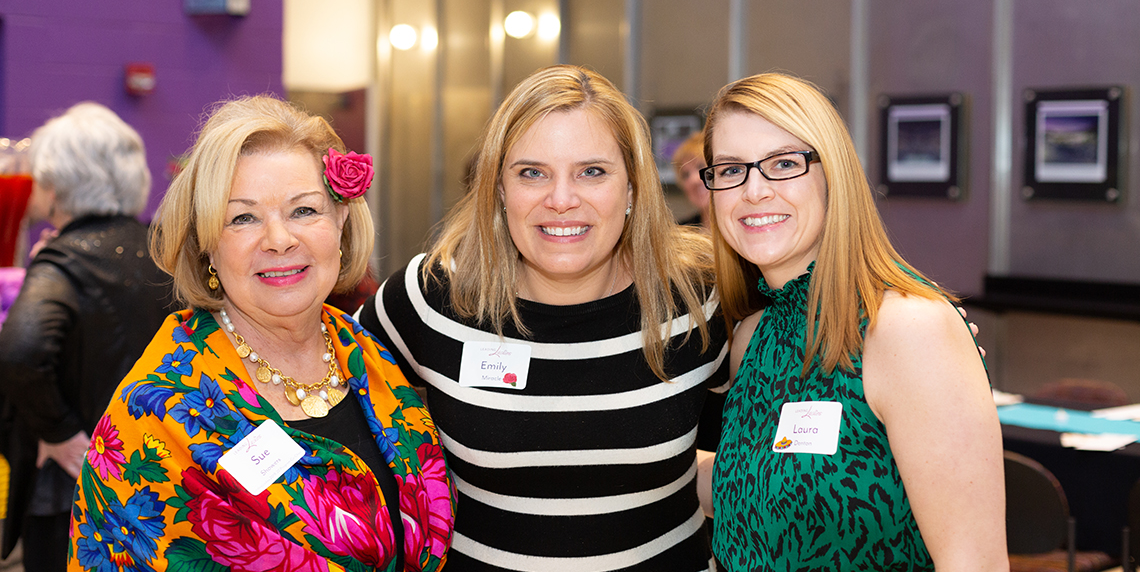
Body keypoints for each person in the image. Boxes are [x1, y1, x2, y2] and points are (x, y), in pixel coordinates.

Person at [355, 65, 730, 571]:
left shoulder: (699, 298)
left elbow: (752, 457)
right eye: (532, 173)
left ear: (634, 188)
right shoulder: (431, 298)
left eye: (592, 172)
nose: (560, 200)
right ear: (500, 188)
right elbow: (321, 393)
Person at [66, 96, 455, 570]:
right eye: (243, 218)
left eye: (304, 211)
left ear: (341, 220)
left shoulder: (372, 357)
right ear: (207, 244)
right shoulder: (157, 412)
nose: (279, 239)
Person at [701, 73, 1006, 570]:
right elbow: (756, 489)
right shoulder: (753, 336)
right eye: (732, 169)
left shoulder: (908, 328)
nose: (754, 191)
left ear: (833, 174)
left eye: (783, 163)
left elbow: (974, 563)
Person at [0, 103, 175, 572]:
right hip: (156, 475)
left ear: (55, 185)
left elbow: (19, 352)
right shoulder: (165, 251)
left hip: (71, 490)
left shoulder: (65, 259)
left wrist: (57, 430)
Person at [672, 130, 710, 227]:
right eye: (686, 175)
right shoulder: (679, 234)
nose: (693, 179)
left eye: (700, 167)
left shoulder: (746, 225)